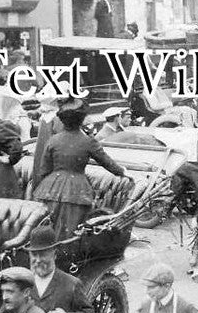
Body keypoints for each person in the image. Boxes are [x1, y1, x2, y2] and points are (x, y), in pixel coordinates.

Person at [33, 100, 129, 239]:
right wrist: (123, 172)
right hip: (76, 190)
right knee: (72, 230)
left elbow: (44, 169)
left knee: (48, 226)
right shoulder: (88, 141)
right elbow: (106, 162)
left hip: (50, 188)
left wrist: (46, 186)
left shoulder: (53, 140)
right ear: (81, 120)